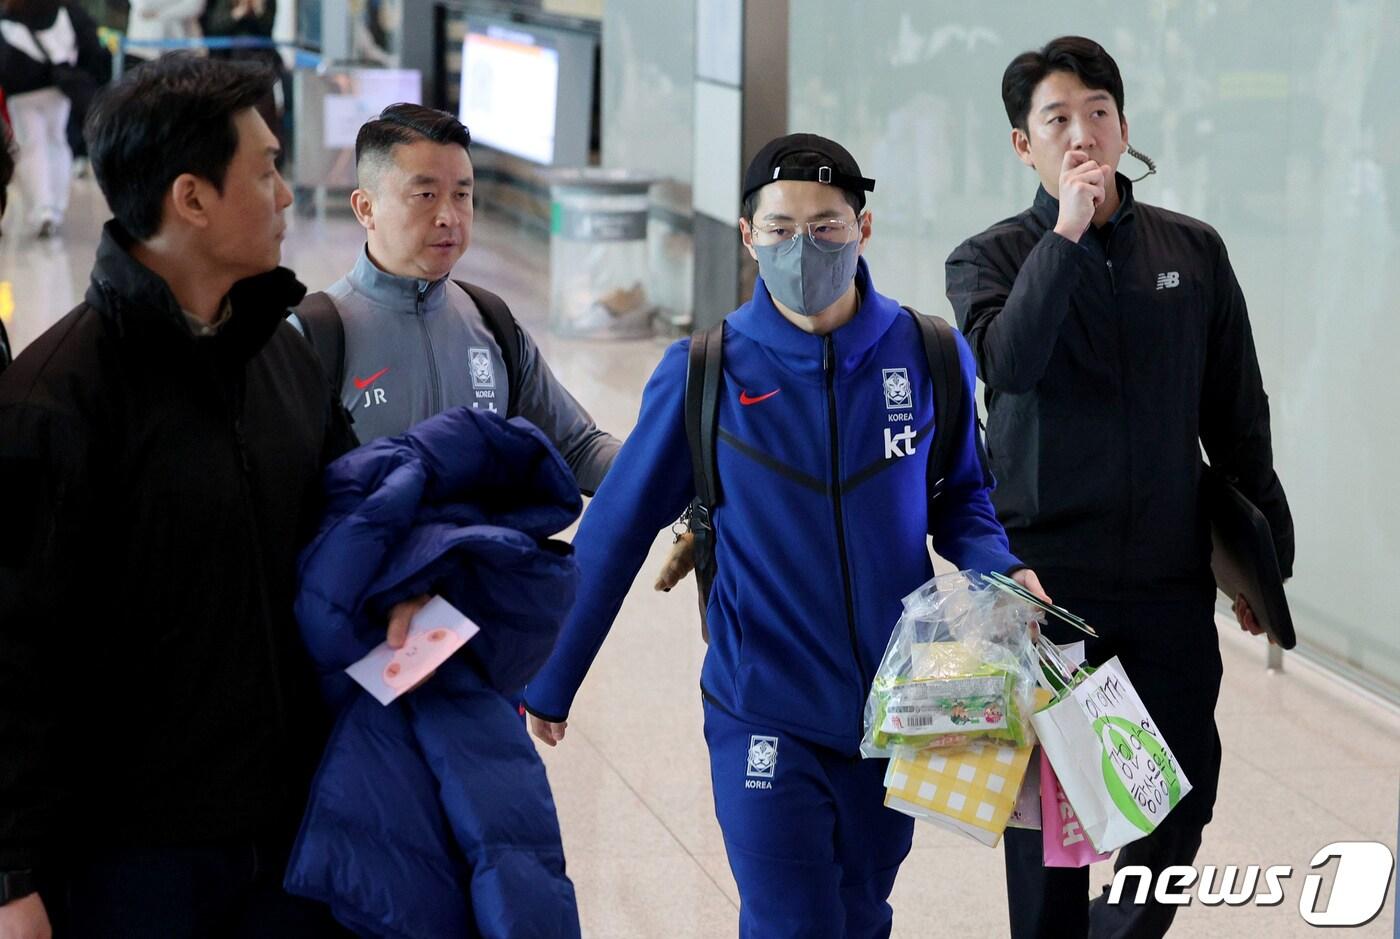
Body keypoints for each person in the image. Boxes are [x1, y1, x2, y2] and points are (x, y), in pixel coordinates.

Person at [524, 132, 1048, 938]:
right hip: (760, 704)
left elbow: (964, 499)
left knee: (862, 912)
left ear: (863, 229)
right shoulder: (706, 371)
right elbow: (617, 530)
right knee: (790, 920)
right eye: (780, 229)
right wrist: (551, 676)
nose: (803, 246)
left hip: (896, 712)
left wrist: (1005, 568)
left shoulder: (929, 352)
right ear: (747, 235)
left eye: (827, 226)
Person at [0, 54, 423, 937]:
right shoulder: (57, 400)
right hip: (133, 860)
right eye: (265, 169)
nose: (283, 194)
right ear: (189, 198)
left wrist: (405, 573)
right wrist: (15, 876)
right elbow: (13, 655)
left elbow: (347, 513)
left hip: (294, 834)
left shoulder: (284, 353)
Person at [944, 36, 1294, 939]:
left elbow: (1237, 415)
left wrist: (1264, 568)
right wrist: (1064, 234)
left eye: (1097, 112)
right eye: (1056, 119)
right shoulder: (986, 259)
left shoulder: (1193, 252)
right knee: (1056, 834)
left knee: (1177, 805)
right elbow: (1010, 365)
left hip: (1169, 580)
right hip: (1049, 590)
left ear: (1125, 125)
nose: (1081, 134)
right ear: (1023, 146)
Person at [293, 103, 620, 492]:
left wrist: (675, 462)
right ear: (366, 208)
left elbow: (578, 448)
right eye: (426, 194)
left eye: (462, 195)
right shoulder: (313, 337)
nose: (449, 215)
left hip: (480, 551)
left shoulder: (492, 324)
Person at [0, 0, 108, 237]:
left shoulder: (10, 14)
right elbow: (92, 48)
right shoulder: (67, 10)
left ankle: (43, 208)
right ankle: (56, 208)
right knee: (57, 141)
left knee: (31, 146)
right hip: (59, 87)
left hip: (22, 93)